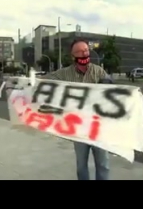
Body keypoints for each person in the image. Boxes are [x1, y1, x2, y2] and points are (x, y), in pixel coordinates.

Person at [44, 39, 110, 180]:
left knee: (103, 165)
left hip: (98, 127)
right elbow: (43, 81)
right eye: (80, 52)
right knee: (81, 166)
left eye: (86, 50)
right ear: (73, 56)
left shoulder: (99, 72)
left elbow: (113, 93)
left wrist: (109, 84)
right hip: (78, 127)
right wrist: (23, 83)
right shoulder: (64, 74)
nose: (84, 54)